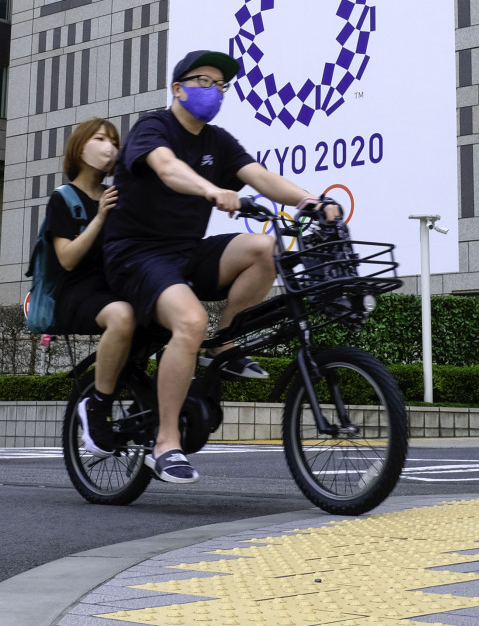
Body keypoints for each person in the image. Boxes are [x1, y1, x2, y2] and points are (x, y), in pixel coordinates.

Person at [104, 49, 339, 484]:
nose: (214, 91)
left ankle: (224, 343)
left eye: (221, 85)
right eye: (204, 82)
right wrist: (211, 190)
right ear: (178, 89)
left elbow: (261, 177)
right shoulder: (153, 127)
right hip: (136, 255)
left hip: (187, 252)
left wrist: (310, 200)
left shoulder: (218, 141)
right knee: (192, 321)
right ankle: (165, 443)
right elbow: (168, 168)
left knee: (266, 248)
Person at [45, 118, 136, 458]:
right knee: (122, 316)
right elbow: (67, 259)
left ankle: (145, 403)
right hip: (76, 294)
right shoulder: (63, 199)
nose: (109, 147)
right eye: (100, 139)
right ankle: (97, 405)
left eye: (114, 142)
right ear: (80, 148)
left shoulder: (117, 195)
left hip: (114, 288)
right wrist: (99, 218)